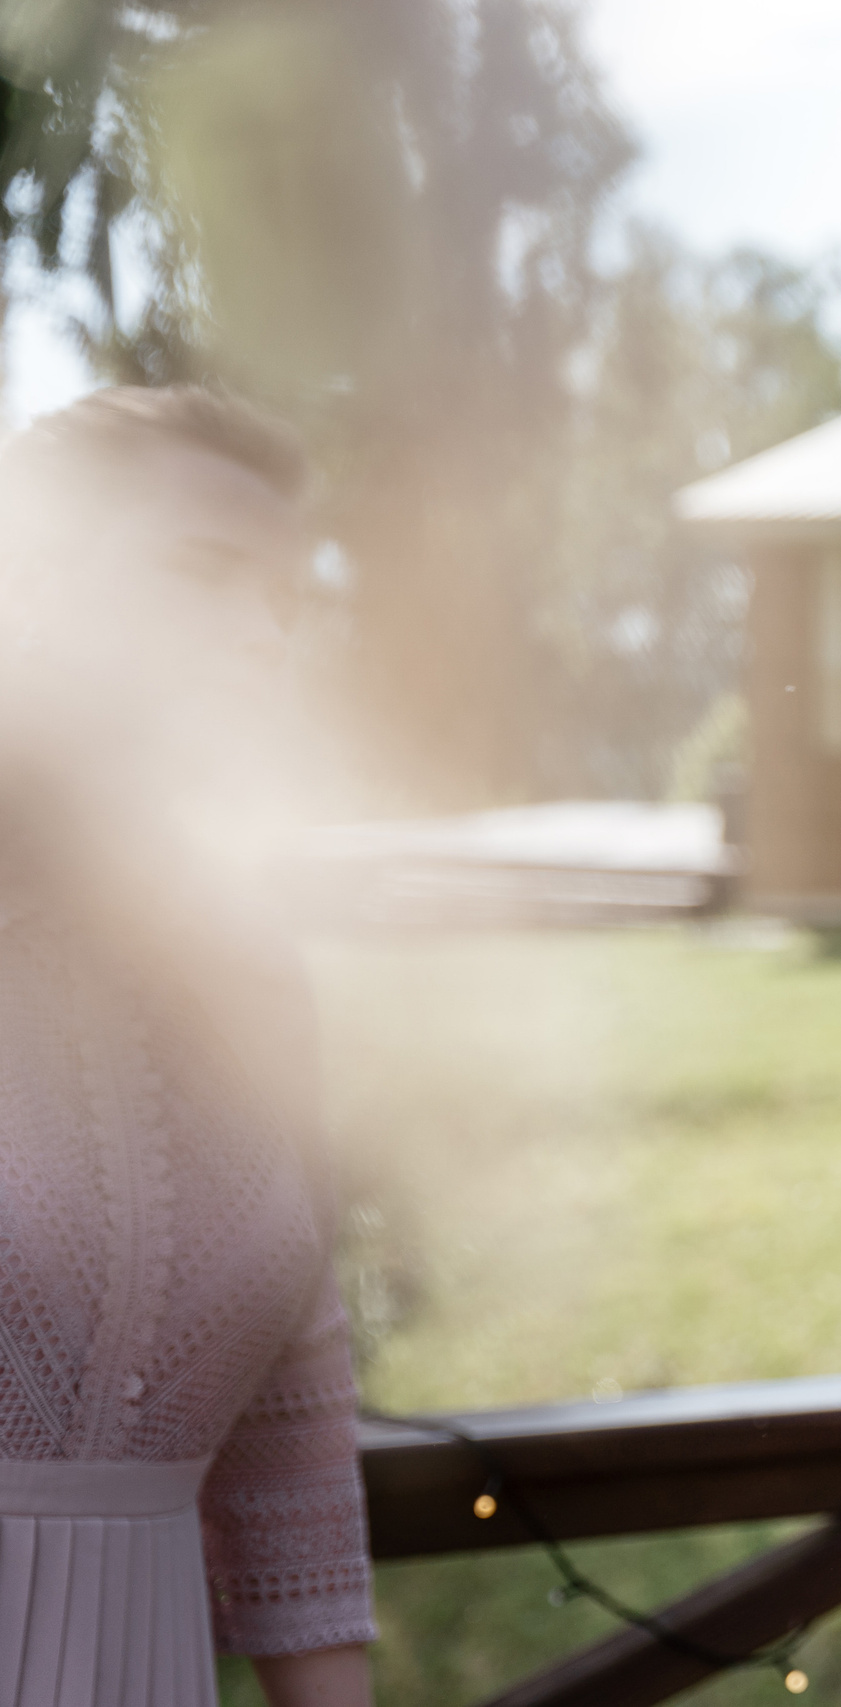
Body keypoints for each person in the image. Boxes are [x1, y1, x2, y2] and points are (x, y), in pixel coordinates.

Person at [0, 389, 375, 1706]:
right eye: (201, 573)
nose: (258, 633)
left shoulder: (257, 974)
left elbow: (293, 1430)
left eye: (283, 596)